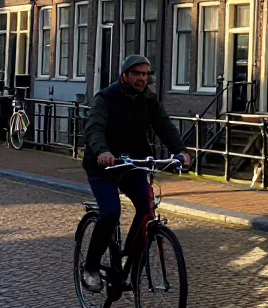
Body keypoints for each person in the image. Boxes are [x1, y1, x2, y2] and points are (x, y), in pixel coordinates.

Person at [80, 54, 191, 292]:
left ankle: (126, 261)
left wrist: (180, 151)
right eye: (136, 74)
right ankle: (90, 267)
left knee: (146, 208)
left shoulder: (148, 100)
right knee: (111, 212)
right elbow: (94, 128)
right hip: (105, 166)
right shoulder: (106, 98)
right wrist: (102, 151)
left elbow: (165, 126)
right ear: (124, 75)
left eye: (145, 75)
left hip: (132, 165)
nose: (141, 79)